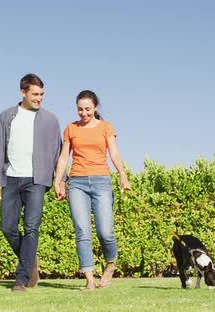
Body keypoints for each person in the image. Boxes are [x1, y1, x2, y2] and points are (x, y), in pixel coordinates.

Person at [0, 73, 63, 292]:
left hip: (36, 180)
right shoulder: (6, 116)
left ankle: (21, 279)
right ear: (23, 92)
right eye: (35, 94)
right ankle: (30, 261)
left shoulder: (51, 120)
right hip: (10, 178)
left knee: (31, 228)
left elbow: (59, 153)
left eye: (42, 94)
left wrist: (60, 180)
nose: (39, 98)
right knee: (7, 227)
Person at [54, 90, 131, 291]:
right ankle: (89, 278)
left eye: (87, 109)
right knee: (82, 232)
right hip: (77, 183)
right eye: (80, 109)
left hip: (102, 182)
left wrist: (122, 174)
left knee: (105, 231)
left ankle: (110, 264)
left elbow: (114, 152)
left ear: (95, 107)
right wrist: (58, 181)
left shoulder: (106, 127)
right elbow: (63, 157)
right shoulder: (71, 128)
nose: (83, 113)